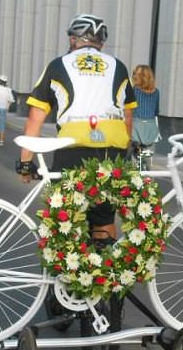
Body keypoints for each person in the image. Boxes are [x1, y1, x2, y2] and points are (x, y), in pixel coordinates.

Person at [18, 13, 137, 247]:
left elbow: (35, 118)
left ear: (73, 40)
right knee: (103, 219)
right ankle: (100, 274)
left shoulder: (58, 65)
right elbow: (128, 118)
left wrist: (25, 162)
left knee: (64, 218)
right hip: (111, 150)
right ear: (101, 42)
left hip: (72, 147)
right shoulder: (118, 66)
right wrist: (126, 153)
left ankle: (59, 277)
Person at [130, 64, 161, 156]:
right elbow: (156, 111)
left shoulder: (134, 90)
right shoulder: (156, 92)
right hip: (151, 127)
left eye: (136, 74)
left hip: (136, 126)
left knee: (131, 153)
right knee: (147, 156)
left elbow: (129, 108)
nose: (134, 76)